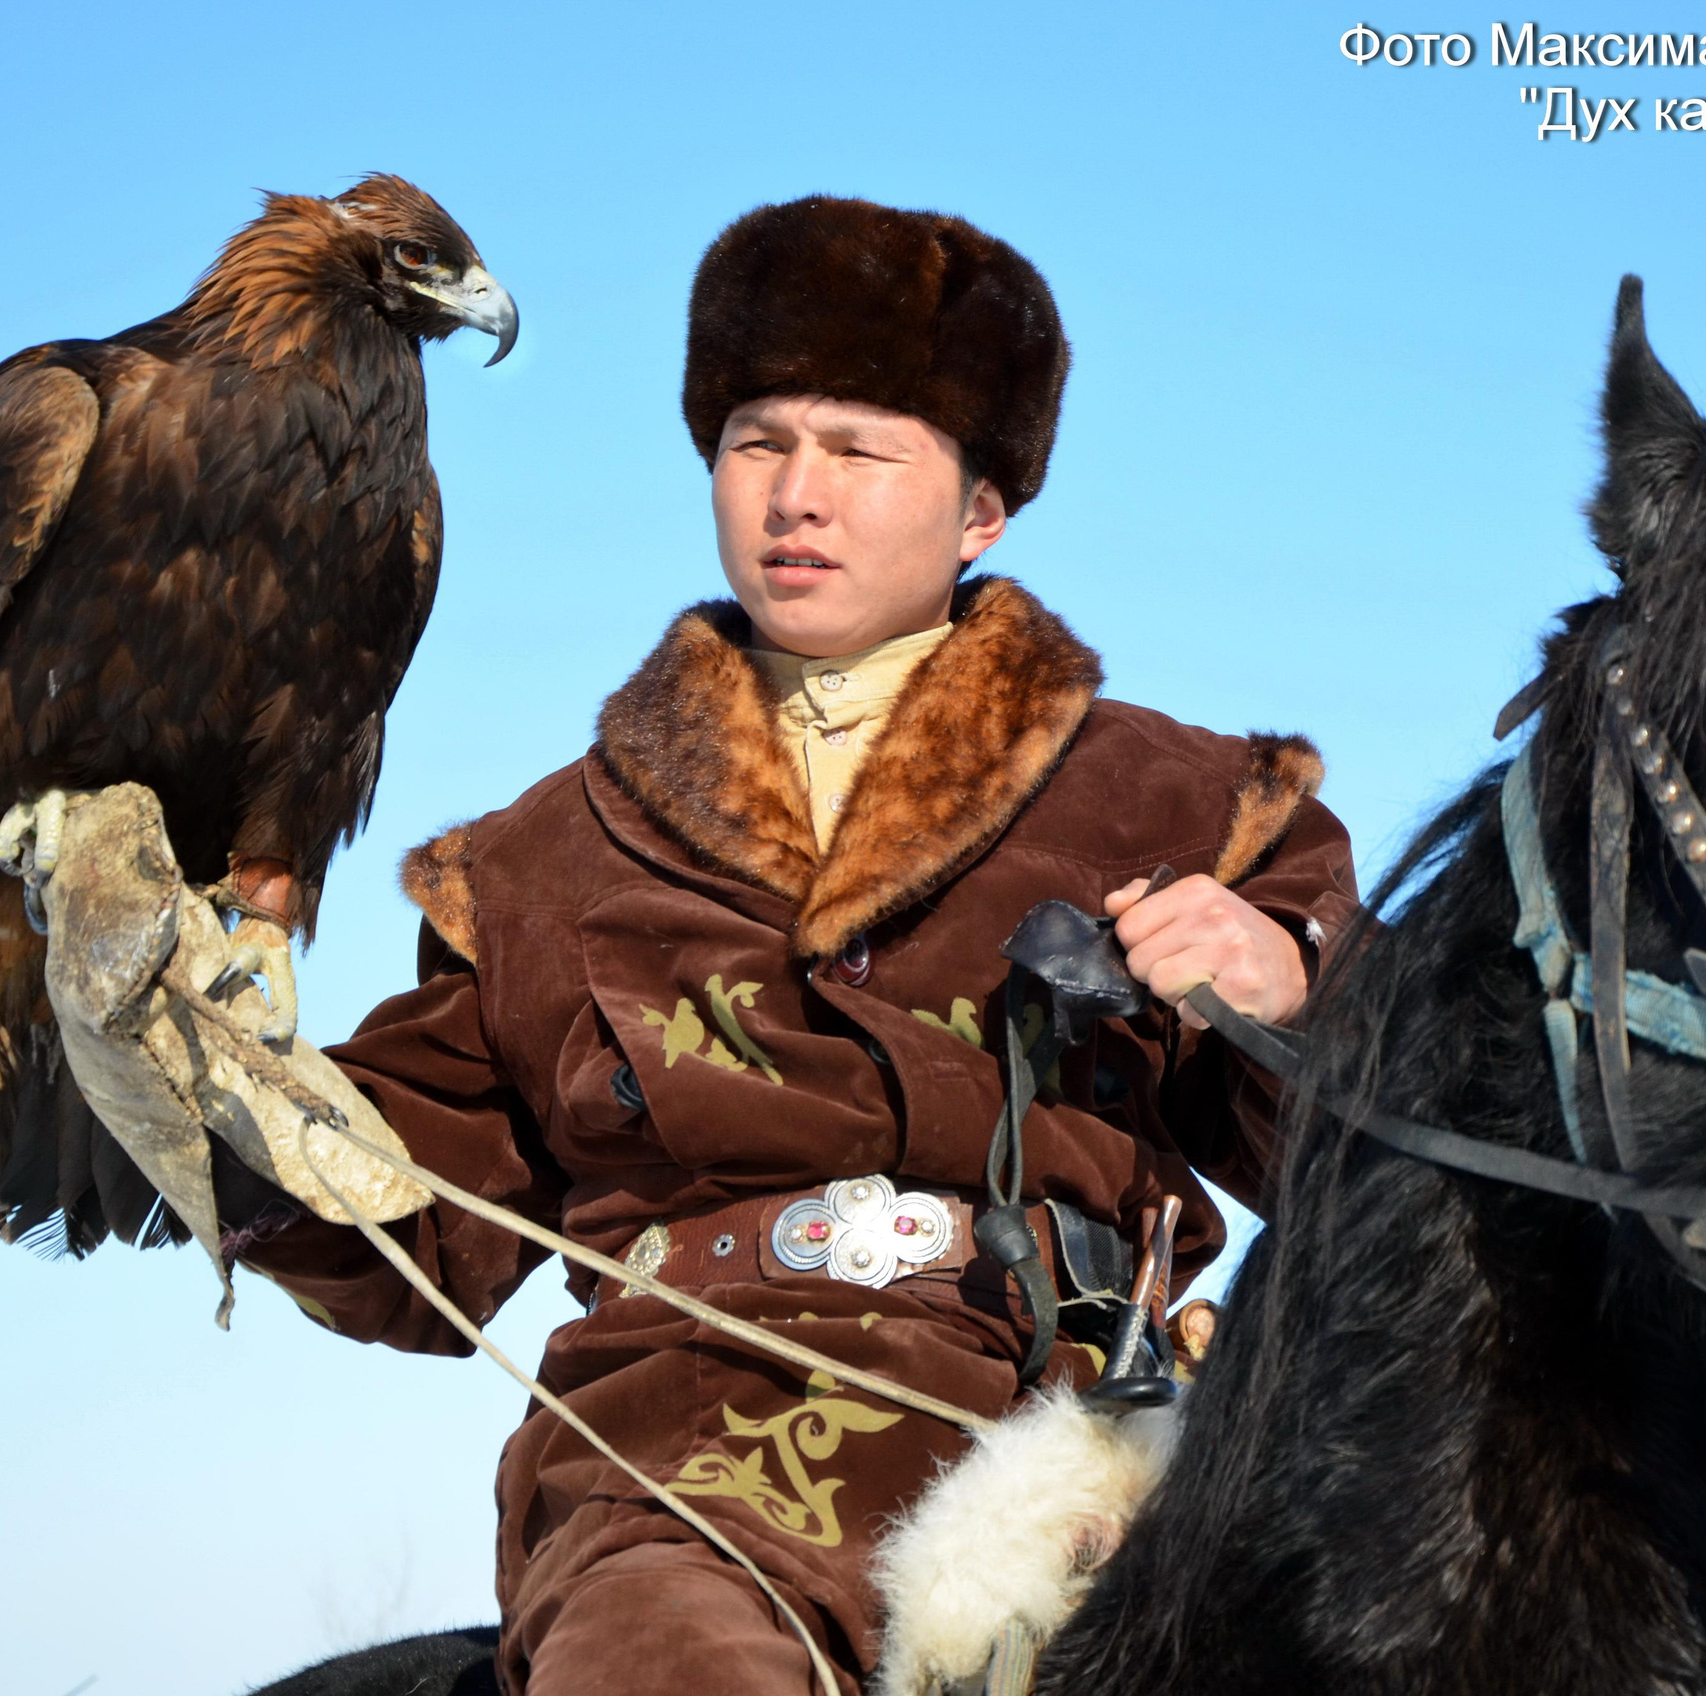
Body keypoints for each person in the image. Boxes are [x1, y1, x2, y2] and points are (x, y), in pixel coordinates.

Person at [215, 196, 1359, 1694]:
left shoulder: (1189, 802)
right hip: (691, 1449)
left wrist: (1301, 1000)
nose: (794, 495)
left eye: (859, 449)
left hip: (1092, 1442)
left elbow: (1394, 1181)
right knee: (659, 1658)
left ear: (981, 510)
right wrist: (198, 1084)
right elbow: (409, 1231)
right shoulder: (540, 860)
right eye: (758, 443)